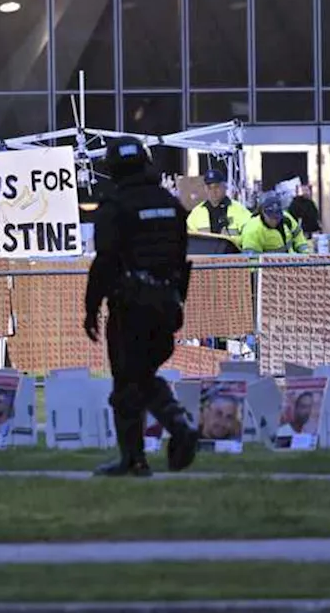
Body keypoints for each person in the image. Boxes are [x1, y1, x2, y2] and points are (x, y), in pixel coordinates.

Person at [83, 136, 200, 477]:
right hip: (167, 306)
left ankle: (140, 454)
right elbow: (180, 260)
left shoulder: (115, 206)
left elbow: (105, 263)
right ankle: (168, 434)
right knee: (142, 378)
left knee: (126, 383)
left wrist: (90, 308)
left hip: (130, 307)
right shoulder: (170, 204)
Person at [186, 168, 251, 241]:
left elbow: (250, 236)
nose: (213, 191)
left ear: (225, 187)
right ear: (205, 189)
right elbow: (190, 239)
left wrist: (232, 241)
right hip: (205, 251)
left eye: (216, 187)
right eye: (209, 188)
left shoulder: (240, 210)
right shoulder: (196, 213)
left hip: (231, 251)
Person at [240, 192, 310, 254]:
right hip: (268, 267)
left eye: (277, 217)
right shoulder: (253, 230)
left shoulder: (286, 218)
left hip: (290, 264)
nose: (275, 221)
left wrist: (305, 253)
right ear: (263, 213)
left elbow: (298, 236)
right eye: (272, 218)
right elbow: (252, 261)